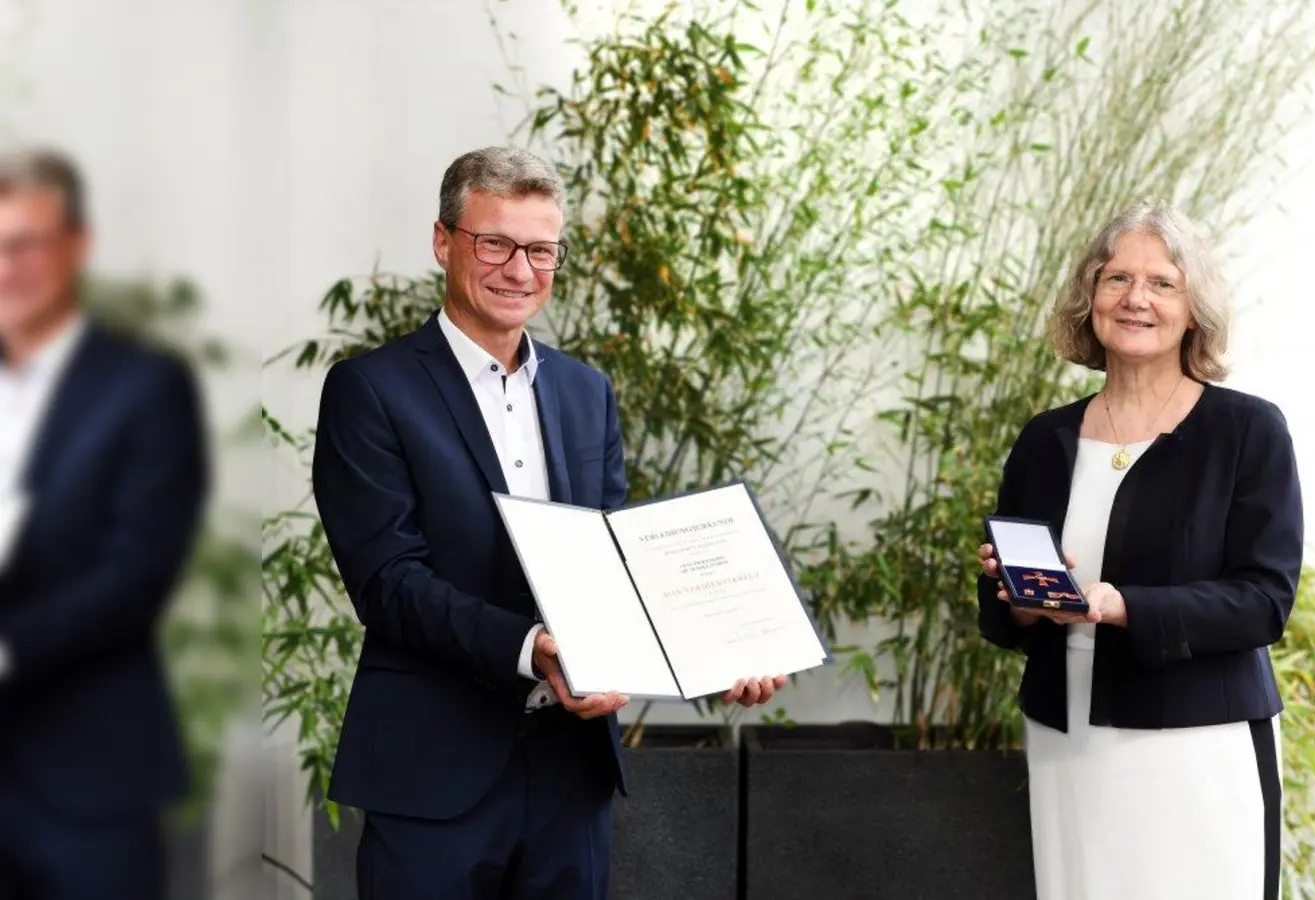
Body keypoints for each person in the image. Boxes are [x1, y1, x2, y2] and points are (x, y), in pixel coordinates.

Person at [311, 146, 787, 900]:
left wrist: (717, 649)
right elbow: (389, 583)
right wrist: (535, 649)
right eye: (494, 243)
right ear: (445, 242)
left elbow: (617, 565)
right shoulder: (371, 390)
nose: (519, 270)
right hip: (435, 774)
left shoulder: (584, 391)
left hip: (571, 775)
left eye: (541, 250)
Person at [975, 202, 1303, 900]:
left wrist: (1120, 605)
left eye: (1161, 283)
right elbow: (1005, 618)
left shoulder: (1246, 431)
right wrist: (1023, 597)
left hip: (1196, 744)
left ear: (1195, 310)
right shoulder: (1046, 439)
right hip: (1068, 741)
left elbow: (1263, 601)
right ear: (1089, 296)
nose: (1135, 299)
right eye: (1116, 277)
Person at [0, 148, 208, 897]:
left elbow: (135, 575)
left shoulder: (147, 387)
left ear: (75, 248)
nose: (5, 267)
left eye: (24, 244)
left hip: (88, 781)